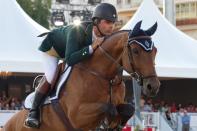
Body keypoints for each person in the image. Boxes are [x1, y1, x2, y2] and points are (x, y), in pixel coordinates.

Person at [25, 3, 118, 128]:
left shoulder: (106, 37)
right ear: (96, 21)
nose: (111, 26)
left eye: (113, 23)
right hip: (53, 50)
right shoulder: (78, 30)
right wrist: (91, 47)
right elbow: (69, 59)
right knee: (51, 76)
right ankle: (33, 112)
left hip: (72, 53)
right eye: (108, 22)